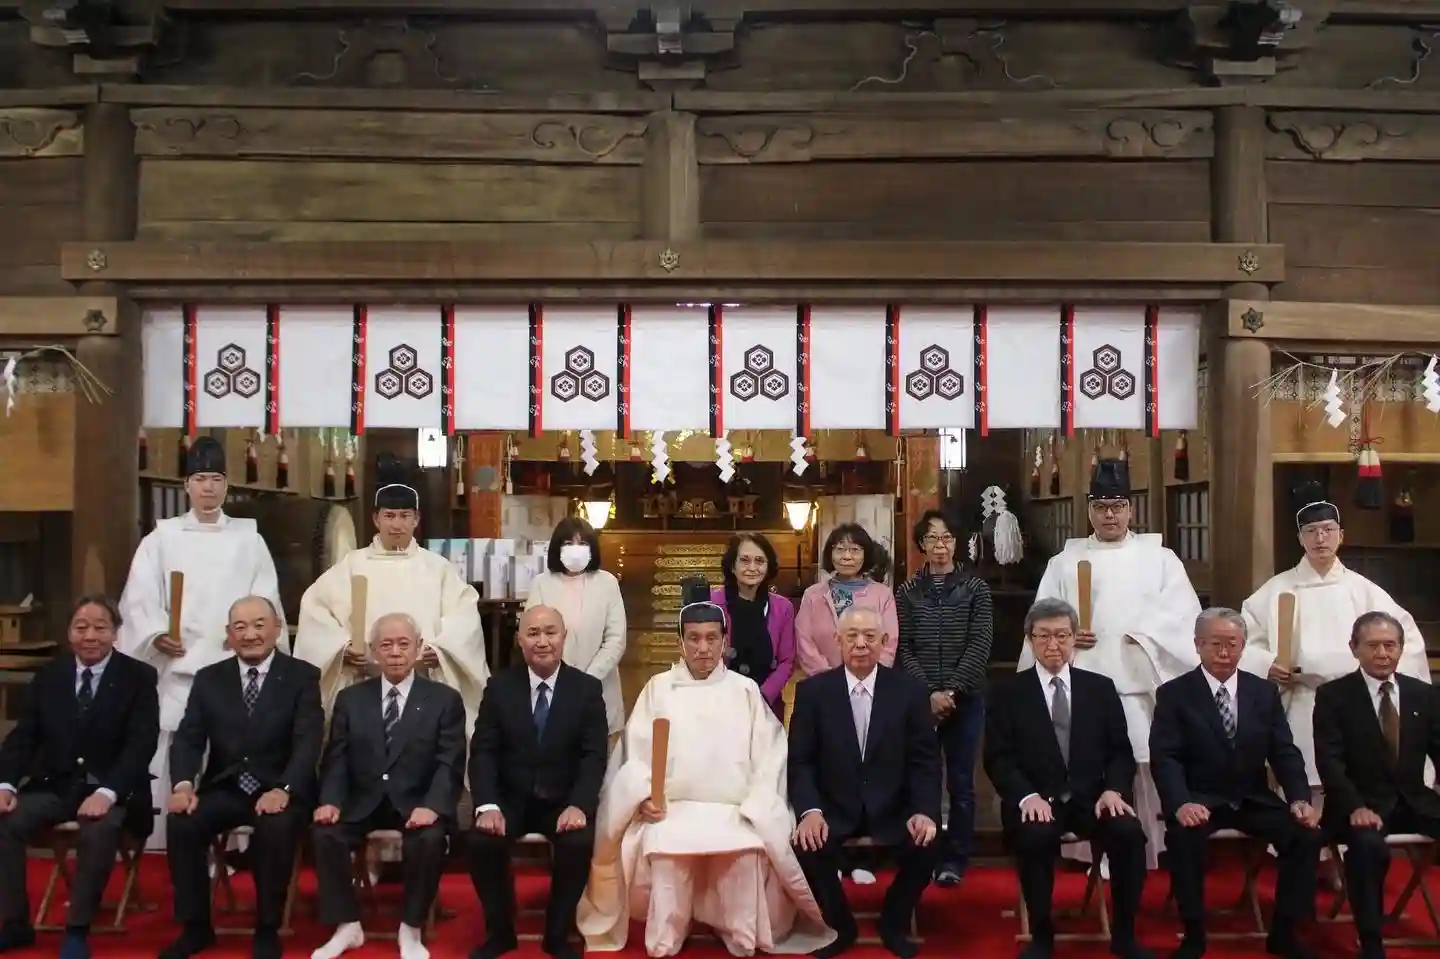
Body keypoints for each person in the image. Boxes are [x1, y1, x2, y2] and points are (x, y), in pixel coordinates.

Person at [577, 579, 834, 957]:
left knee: (747, 848)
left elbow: (771, 754)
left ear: (725, 642)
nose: (703, 648)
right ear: (680, 643)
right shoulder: (658, 689)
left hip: (734, 809)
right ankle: (668, 932)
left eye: (712, 638)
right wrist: (643, 797)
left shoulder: (745, 690)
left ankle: (739, 931)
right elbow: (634, 756)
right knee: (665, 845)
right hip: (672, 808)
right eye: (694, 639)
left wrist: (758, 803)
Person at [1020, 459, 1201, 872]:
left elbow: (1183, 615)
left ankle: (1149, 846)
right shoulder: (1064, 562)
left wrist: (1144, 632)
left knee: (1143, 762)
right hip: (1081, 678)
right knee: (1088, 763)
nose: (1110, 515)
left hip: (1138, 679)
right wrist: (1065, 636)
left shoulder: (1160, 558)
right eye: (1101, 507)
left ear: (1131, 508)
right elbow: (1041, 617)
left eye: (1118, 506)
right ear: (1089, 510)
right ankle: (1091, 850)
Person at [118, 435, 283, 849]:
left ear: (227, 485)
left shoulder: (249, 539)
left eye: (216, 479)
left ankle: (234, 843)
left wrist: (248, 633)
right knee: (173, 744)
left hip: (234, 667)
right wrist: (157, 633)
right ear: (186, 485)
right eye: (200, 479)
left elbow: (265, 596)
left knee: (233, 748)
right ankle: (163, 838)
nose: (208, 487)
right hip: (178, 666)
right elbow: (139, 597)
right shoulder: (162, 539)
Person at [984, 598, 1151, 959]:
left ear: (1075, 638)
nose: (1053, 644)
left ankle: (1125, 934)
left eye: (1062, 635)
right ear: (1030, 639)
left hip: (1092, 799)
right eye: (1043, 636)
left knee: (1129, 834)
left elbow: (1120, 751)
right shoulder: (1008, 692)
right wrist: (1026, 796)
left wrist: (1113, 790)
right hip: (1036, 801)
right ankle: (1042, 934)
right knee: (1035, 837)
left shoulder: (1100, 688)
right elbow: (998, 758)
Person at [1150, 608, 1321, 959]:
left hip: (1251, 797)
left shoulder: (1263, 692)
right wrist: (1180, 802)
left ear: (1243, 646)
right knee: (1183, 839)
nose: (1224, 652)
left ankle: (1285, 932)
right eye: (1215, 643)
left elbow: (1284, 752)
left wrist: (1299, 798)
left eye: (1232, 644)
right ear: (1198, 645)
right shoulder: (1174, 694)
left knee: (1306, 835)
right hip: (1199, 799)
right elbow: (1166, 757)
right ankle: (1194, 935)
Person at [159, 596, 324, 959]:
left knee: (275, 826)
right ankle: (196, 928)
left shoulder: (302, 676)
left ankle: (267, 927)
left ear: (277, 629)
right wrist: (183, 785)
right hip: (227, 787)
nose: (250, 635)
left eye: (259, 625)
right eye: (240, 627)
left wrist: (284, 788)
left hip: (280, 788)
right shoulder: (210, 679)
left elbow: (308, 741)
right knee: (182, 822)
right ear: (229, 635)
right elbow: (189, 738)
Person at [1241, 482, 1431, 791]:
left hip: (1357, 701)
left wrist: (1381, 670)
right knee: (1304, 785)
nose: (1320, 539)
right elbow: (1245, 641)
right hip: (1302, 699)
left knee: (1359, 783)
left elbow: (1405, 639)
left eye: (1328, 530)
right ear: (1300, 538)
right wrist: (1266, 664)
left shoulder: (1364, 591)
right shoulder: (1276, 590)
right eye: (1311, 531)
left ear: (1341, 535)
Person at [0, 595, 159, 959]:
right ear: (69, 632)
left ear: (115, 633)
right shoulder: (49, 676)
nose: (90, 636)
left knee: (99, 828)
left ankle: (77, 929)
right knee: (5, 820)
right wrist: (5, 785)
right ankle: (15, 923)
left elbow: (141, 745)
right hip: (56, 787)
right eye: (81, 627)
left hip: (113, 790)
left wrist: (107, 792)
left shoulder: (138, 677)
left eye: (100, 627)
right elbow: (24, 737)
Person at [295, 454, 489, 736]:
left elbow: (464, 616)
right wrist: (342, 648)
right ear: (376, 519)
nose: (396, 525)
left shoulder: (437, 569)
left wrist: (440, 650)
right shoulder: (352, 565)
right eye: (389, 516)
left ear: (416, 519)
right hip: (364, 683)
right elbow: (315, 609)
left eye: (404, 516)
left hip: (423, 683)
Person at [308, 612, 466, 959]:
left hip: (416, 803)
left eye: (403, 644)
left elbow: (450, 762)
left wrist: (433, 806)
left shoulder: (444, 699)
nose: (395, 652)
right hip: (362, 801)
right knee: (324, 833)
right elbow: (337, 758)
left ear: (418, 648)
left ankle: (411, 927)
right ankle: (347, 925)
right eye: (386, 645)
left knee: (429, 839)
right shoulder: (351, 699)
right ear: (374, 651)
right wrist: (330, 800)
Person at [789, 606, 941, 959]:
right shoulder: (813, 693)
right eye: (852, 636)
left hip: (895, 807)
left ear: (884, 641)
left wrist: (923, 810)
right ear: (837, 640)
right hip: (833, 807)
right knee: (806, 845)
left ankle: (894, 921)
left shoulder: (909, 692)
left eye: (869, 636)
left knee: (929, 843)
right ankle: (840, 926)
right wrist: (810, 811)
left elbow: (925, 761)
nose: (861, 644)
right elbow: (801, 761)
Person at [468, 605, 609, 959]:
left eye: (550, 632)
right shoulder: (499, 688)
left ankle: (557, 934)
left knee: (578, 842)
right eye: (533, 633)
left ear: (564, 637)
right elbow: (483, 751)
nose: (542, 641)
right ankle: (500, 932)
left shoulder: (587, 689)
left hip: (563, 801)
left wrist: (579, 804)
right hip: (510, 800)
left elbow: (594, 755)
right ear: (519, 640)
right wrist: (487, 805)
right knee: (481, 841)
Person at [1313, 611, 1440, 959]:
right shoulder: (1334, 696)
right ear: (1354, 648)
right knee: (1367, 848)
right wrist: (1355, 806)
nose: (1383, 654)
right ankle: (1370, 940)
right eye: (1373, 646)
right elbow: (1330, 762)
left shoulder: (1423, 695)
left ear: (1400, 648)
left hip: (1414, 801)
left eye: (1390, 645)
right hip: (1358, 805)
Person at [894, 508, 993, 886]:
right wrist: (928, 692)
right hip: (920, 701)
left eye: (947, 538)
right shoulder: (907, 591)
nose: (940, 545)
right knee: (924, 778)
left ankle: (955, 858)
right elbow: (903, 647)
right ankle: (925, 853)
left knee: (962, 782)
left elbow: (980, 643)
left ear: (956, 542)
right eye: (932, 538)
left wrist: (951, 690)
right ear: (921, 544)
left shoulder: (976, 588)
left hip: (965, 699)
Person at [523, 517, 627, 738]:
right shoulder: (542, 583)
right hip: (552, 689)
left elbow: (615, 639)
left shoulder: (607, 583)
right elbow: (533, 634)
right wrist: (561, 681)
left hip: (599, 687)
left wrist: (587, 681)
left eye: (583, 544)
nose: (576, 550)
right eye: (568, 543)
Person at [707, 533, 795, 719]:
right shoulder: (712, 603)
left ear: (768, 567)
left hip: (766, 704)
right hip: (720, 701)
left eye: (759, 561)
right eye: (745, 561)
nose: (752, 568)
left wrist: (762, 696)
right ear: (733, 566)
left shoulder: (783, 607)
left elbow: (787, 661)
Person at [795, 523, 899, 677]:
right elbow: (804, 642)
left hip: (870, 682)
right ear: (830, 554)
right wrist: (829, 678)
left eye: (855, 550)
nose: (847, 556)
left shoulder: (883, 595)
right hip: (823, 682)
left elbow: (889, 643)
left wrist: (868, 677)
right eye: (840, 549)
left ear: (866, 554)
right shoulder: (812, 595)